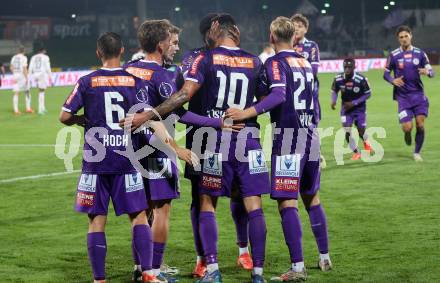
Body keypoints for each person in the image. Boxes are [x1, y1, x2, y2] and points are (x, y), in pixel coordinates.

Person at [121, 14, 270, 283]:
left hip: (193, 141)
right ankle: (253, 269)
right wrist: (245, 113)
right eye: (173, 42)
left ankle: (199, 267)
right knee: (249, 204)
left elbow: (177, 103)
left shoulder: (138, 67)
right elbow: (269, 96)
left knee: (183, 205)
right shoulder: (252, 59)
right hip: (236, 138)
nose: (177, 47)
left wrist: (146, 115)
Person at [59, 32, 179, 283]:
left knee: (96, 221)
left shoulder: (86, 81)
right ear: (122, 51)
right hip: (126, 160)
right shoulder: (133, 81)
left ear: (98, 52)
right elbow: (149, 116)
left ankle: (99, 279)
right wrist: (175, 148)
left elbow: (64, 116)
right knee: (138, 216)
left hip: (96, 161)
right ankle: (148, 274)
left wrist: (83, 120)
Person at [226, 16, 332, 281]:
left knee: (287, 203)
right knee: (312, 198)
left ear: (272, 36)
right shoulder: (305, 62)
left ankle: (298, 268)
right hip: (310, 134)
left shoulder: (275, 62)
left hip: (289, 138)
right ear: (294, 37)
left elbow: (278, 96)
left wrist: (245, 112)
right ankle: (324, 256)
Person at [180, 13, 254, 278]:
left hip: (233, 136)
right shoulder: (194, 58)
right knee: (200, 198)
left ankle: (242, 251)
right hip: (203, 138)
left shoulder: (237, 57)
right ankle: (203, 259)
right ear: (213, 29)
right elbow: (183, 95)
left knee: (238, 193)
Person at [383, 25, 434, 162]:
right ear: (398, 39)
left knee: (420, 124)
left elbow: (431, 71)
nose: (404, 39)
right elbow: (386, 74)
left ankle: (417, 152)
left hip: (418, 95)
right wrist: (392, 80)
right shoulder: (393, 55)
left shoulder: (420, 53)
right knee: (407, 127)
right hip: (403, 97)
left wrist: (428, 72)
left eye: (406, 36)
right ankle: (407, 133)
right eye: (401, 37)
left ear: (411, 36)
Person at [290, 13, 327, 169]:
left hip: (309, 93)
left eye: (300, 26)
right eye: (294, 26)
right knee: (292, 124)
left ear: (306, 29)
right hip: (291, 93)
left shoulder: (311, 46)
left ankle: (317, 154)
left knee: (311, 124)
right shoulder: (286, 45)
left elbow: (314, 69)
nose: (297, 29)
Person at [331, 58, 372, 160]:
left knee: (361, 130)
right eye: (345, 67)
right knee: (347, 130)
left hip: (360, 109)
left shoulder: (361, 79)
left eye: (350, 67)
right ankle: (356, 152)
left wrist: (354, 103)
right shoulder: (338, 79)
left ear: (354, 67)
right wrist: (334, 101)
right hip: (346, 109)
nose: (347, 69)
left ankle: (367, 143)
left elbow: (368, 94)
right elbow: (334, 91)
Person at [29, 46, 52, 114]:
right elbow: (47, 67)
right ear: (43, 51)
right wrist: (50, 76)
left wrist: (29, 76)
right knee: (42, 91)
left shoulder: (33, 57)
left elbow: (30, 67)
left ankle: (43, 107)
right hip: (42, 74)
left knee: (42, 91)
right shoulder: (45, 57)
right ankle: (40, 109)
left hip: (35, 74)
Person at [10, 46, 32, 114]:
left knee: (16, 93)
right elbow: (24, 68)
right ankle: (28, 108)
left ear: (18, 51)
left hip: (15, 75)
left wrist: (14, 74)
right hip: (22, 76)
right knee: (27, 91)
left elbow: (11, 67)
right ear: (24, 51)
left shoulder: (14, 57)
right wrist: (26, 78)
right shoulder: (24, 57)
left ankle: (16, 110)